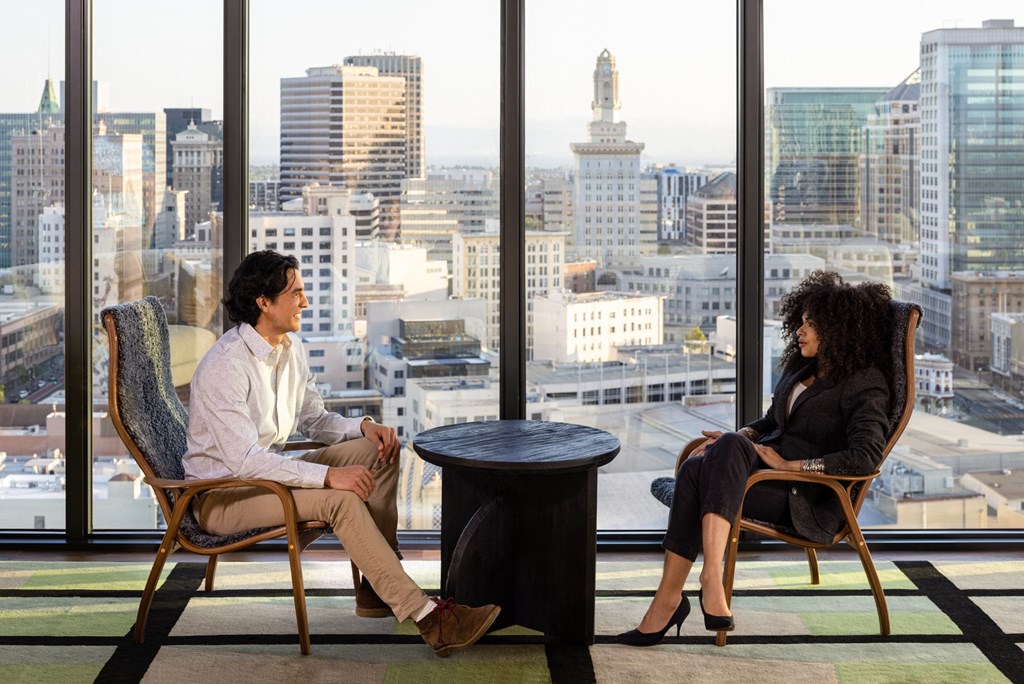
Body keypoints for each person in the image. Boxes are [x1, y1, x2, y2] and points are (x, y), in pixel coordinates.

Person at [183, 250, 499, 657]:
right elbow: (244, 460)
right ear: (263, 302)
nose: (305, 302)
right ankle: (430, 619)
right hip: (223, 495)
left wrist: (362, 427)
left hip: (265, 479)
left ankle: (376, 588)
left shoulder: (287, 350)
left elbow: (313, 419)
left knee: (376, 450)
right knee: (342, 501)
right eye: (295, 294)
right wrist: (329, 478)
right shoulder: (227, 365)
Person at [617, 270, 893, 646]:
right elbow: (769, 422)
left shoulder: (865, 383)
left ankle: (677, 596)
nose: (800, 329)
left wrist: (790, 466)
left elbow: (864, 457)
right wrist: (741, 437)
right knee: (708, 457)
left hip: (806, 497)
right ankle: (699, 586)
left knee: (697, 470)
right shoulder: (802, 369)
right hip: (765, 476)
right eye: (801, 320)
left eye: (810, 323)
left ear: (839, 329)